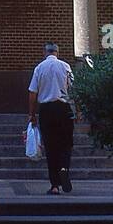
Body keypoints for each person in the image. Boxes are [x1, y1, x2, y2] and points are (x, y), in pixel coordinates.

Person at [27, 42, 75, 195]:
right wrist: (78, 111)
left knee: (51, 147)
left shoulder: (39, 68)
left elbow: (32, 93)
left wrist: (32, 114)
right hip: (64, 108)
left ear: (45, 52)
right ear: (57, 52)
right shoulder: (66, 66)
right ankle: (64, 169)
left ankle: (54, 185)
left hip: (46, 110)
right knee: (66, 144)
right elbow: (74, 90)